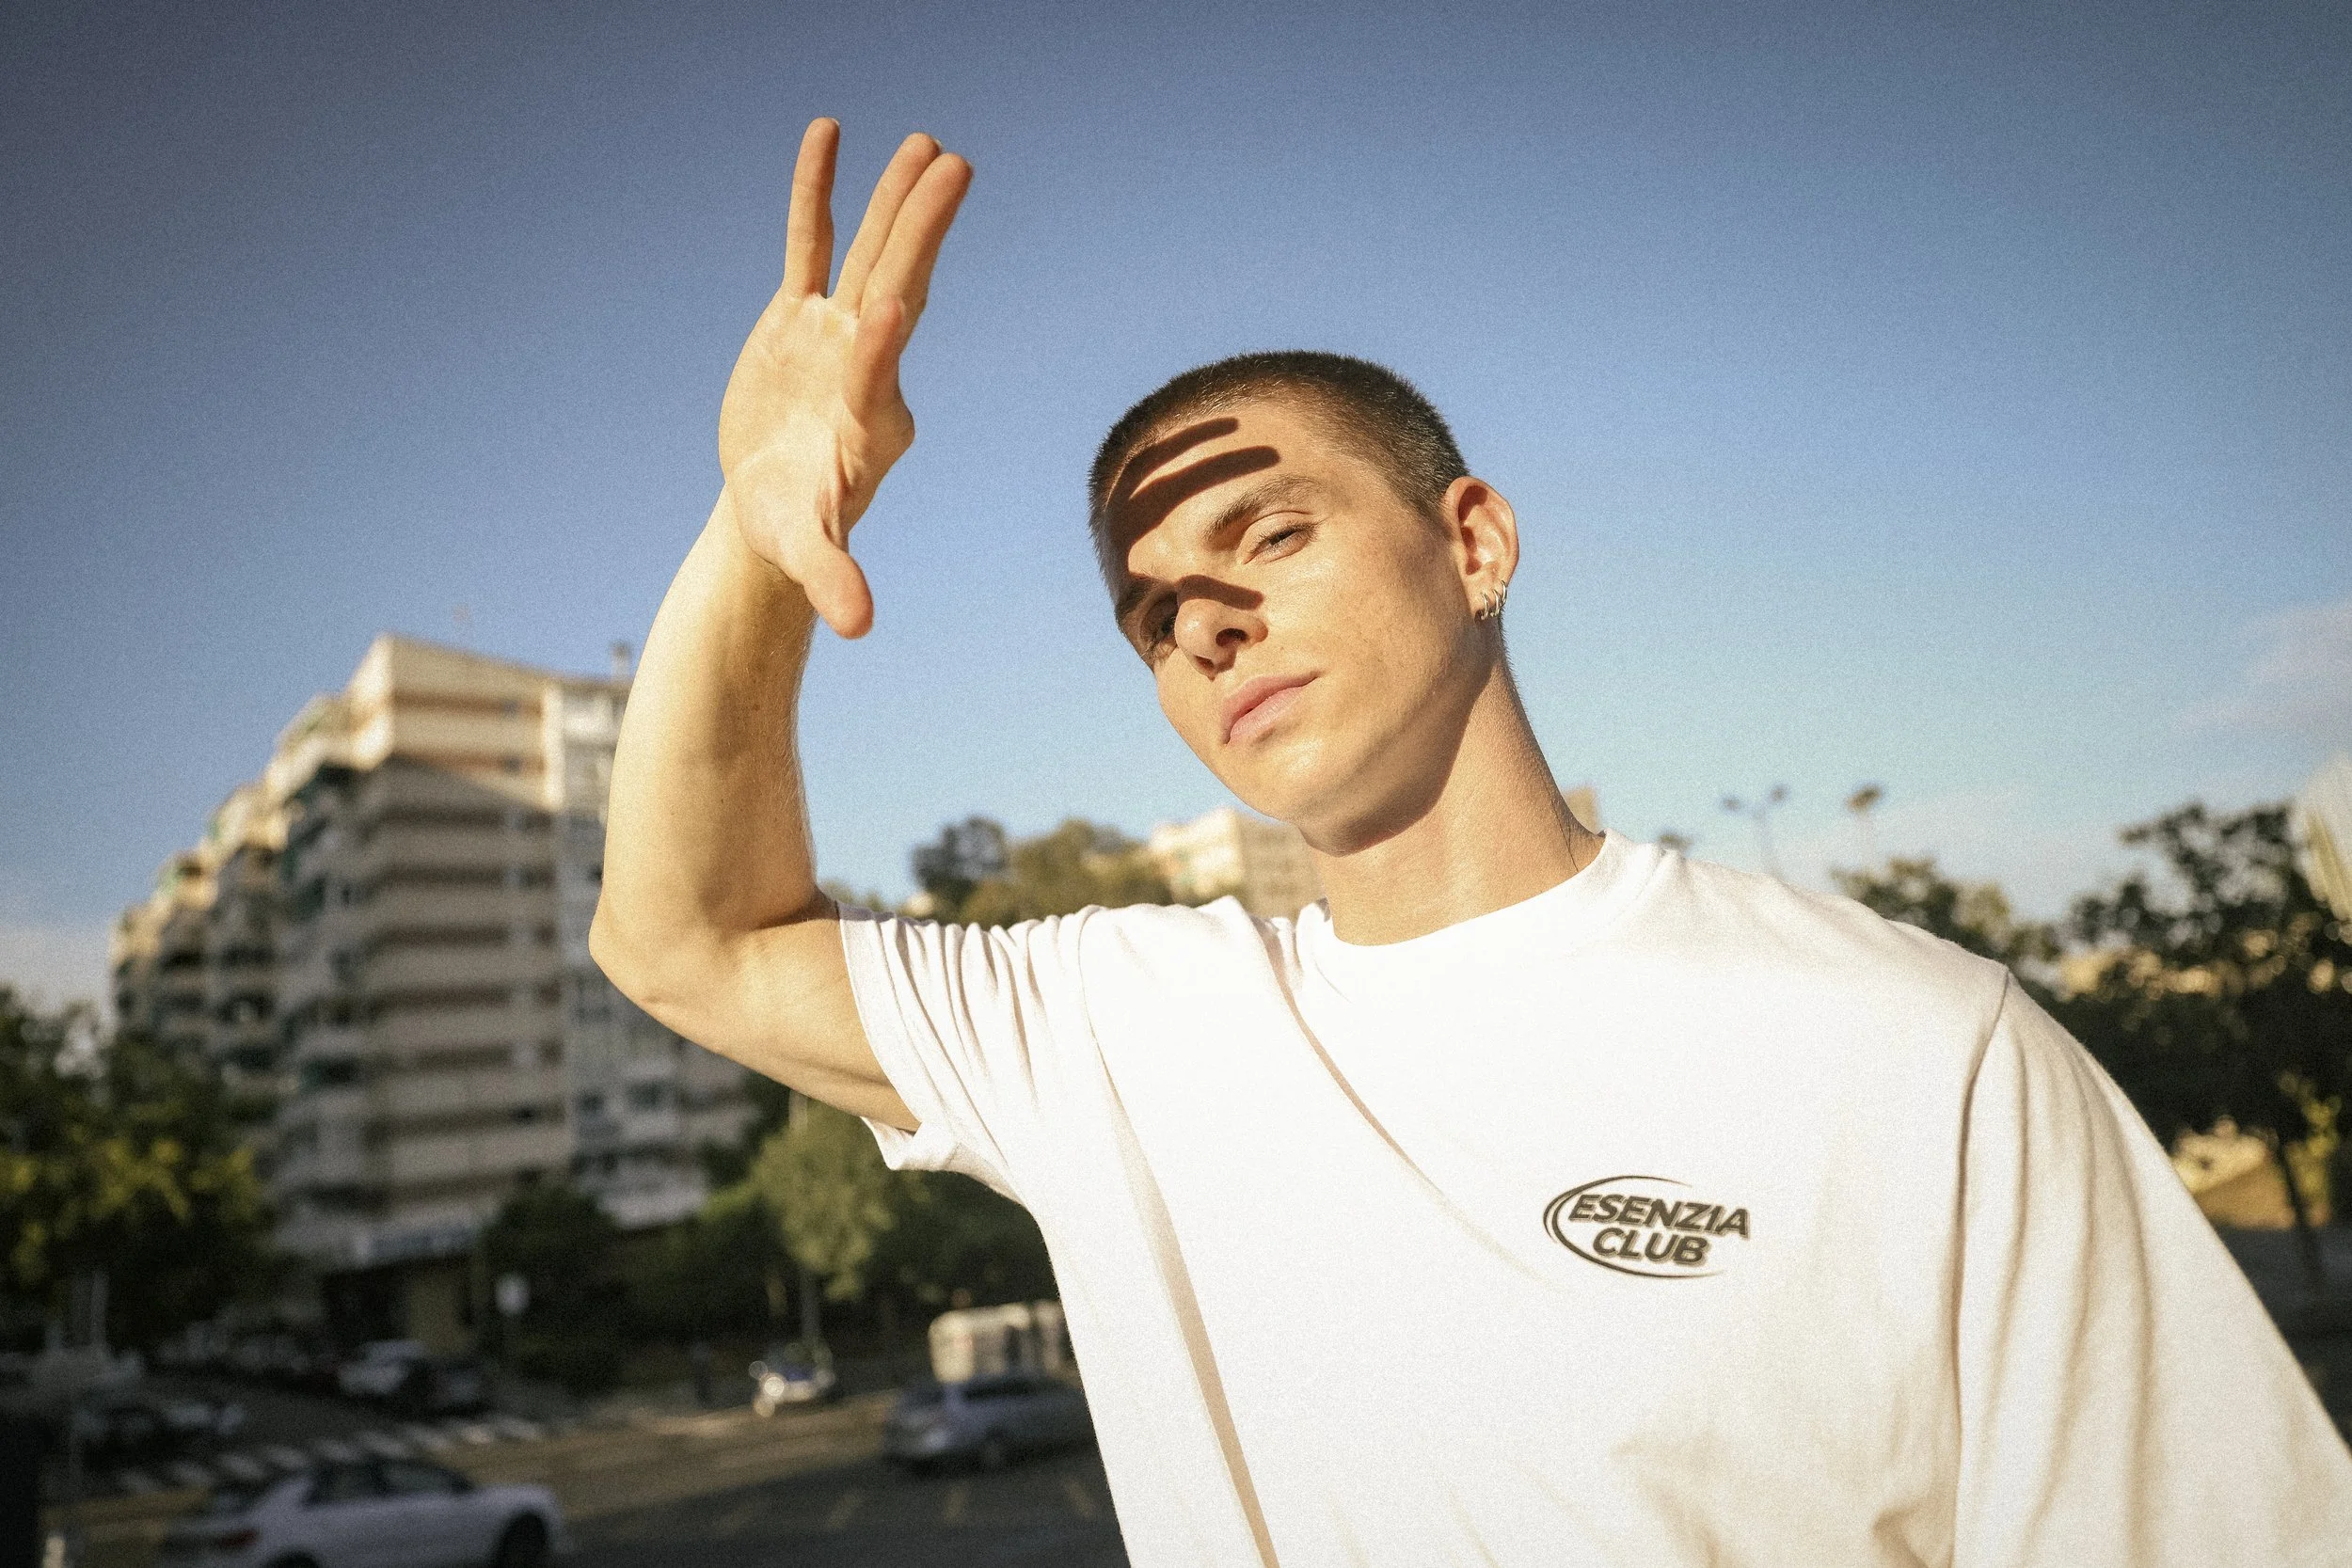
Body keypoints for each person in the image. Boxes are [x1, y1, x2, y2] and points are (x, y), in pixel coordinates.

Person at [590, 119, 2352, 1565]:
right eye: (1150, 616)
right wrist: (755, 534)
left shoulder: (1927, 1049)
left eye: (1267, 533)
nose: (1202, 621)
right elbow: (688, 940)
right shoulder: (1120, 1027)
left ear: (1476, 543)